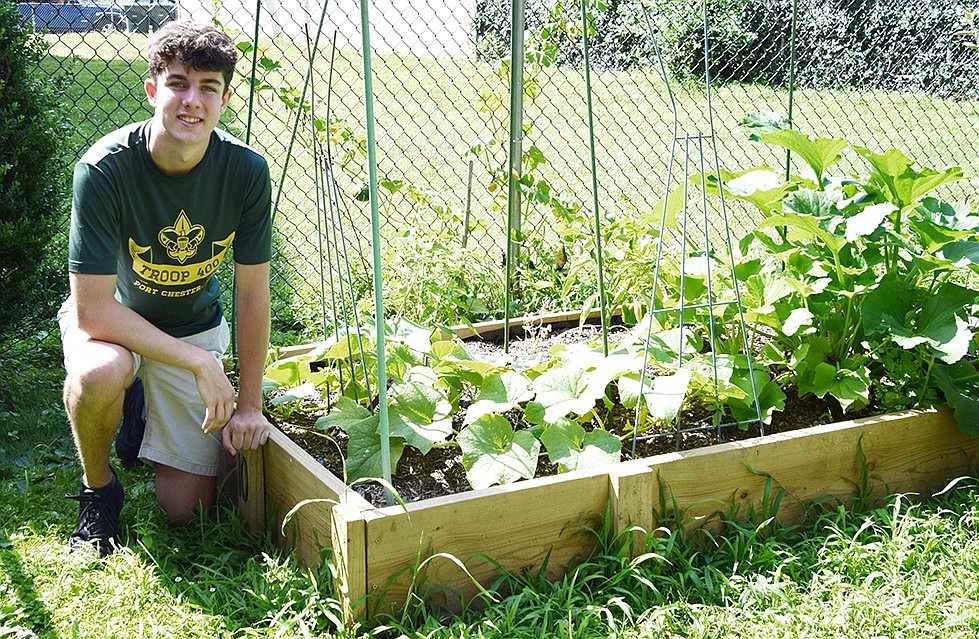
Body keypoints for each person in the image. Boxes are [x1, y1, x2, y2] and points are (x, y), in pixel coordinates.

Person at [58, 20, 273, 556]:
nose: (191, 100)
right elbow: (91, 311)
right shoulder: (104, 169)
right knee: (100, 371)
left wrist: (249, 403)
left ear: (226, 98)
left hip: (193, 326)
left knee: (188, 513)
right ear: (153, 89)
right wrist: (202, 366)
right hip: (118, 324)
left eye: (208, 87)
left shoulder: (246, 171)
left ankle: (141, 414)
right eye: (178, 83)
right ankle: (99, 488)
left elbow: (252, 295)